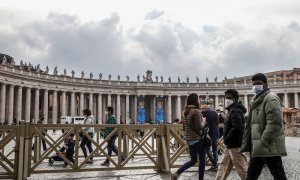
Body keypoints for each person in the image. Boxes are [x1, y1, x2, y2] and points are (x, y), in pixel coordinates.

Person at [241, 73, 287, 180]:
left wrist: (264, 141)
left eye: (259, 83)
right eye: (254, 84)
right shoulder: (256, 99)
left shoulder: (271, 99)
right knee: (251, 176)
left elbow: (275, 122)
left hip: (269, 146)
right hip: (258, 146)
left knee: (279, 176)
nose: (256, 86)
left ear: (266, 84)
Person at [171, 93, 206, 180]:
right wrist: (204, 122)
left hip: (189, 139)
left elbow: (184, 127)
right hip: (198, 139)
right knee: (202, 161)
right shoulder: (197, 111)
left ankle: (177, 173)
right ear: (196, 101)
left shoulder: (185, 112)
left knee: (193, 160)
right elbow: (199, 127)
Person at [215, 89, 248, 180]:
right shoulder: (231, 110)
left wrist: (228, 138)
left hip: (235, 144)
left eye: (229, 97)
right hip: (229, 144)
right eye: (226, 98)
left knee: (242, 168)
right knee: (223, 166)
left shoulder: (236, 111)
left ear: (235, 99)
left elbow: (237, 127)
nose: (227, 100)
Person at [201, 105, 219, 170]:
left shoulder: (205, 112)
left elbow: (202, 122)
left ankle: (214, 163)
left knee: (207, 149)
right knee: (215, 149)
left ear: (204, 108)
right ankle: (215, 165)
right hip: (216, 133)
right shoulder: (215, 112)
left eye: (202, 109)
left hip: (209, 134)